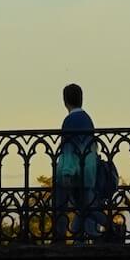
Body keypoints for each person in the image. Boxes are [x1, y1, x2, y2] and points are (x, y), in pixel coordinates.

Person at [54, 82, 100, 243]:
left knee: (62, 204)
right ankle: (85, 235)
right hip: (89, 169)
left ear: (65, 101)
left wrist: (66, 172)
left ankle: (62, 237)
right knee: (86, 205)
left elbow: (68, 149)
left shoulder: (70, 121)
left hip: (73, 170)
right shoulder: (87, 119)